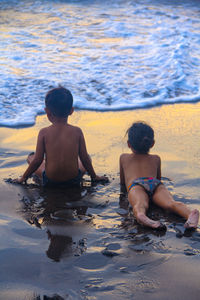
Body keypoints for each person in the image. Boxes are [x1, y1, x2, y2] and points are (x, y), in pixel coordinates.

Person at [15, 86, 108, 187]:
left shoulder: (44, 132)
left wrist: (23, 178)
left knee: (31, 157)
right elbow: (84, 158)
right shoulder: (77, 131)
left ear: (47, 111)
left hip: (50, 181)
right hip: (74, 179)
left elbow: (37, 160)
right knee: (88, 158)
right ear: (71, 111)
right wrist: (94, 177)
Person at [119, 121, 199, 230]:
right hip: (155, 183)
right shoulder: (156, 158)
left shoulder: (123, 157)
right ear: (152, 143)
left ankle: (141, 215)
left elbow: (123, 182)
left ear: (129, 144)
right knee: (171, 203)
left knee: (140, 204)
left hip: (136, 185)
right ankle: (190, 214)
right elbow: (158, 179)